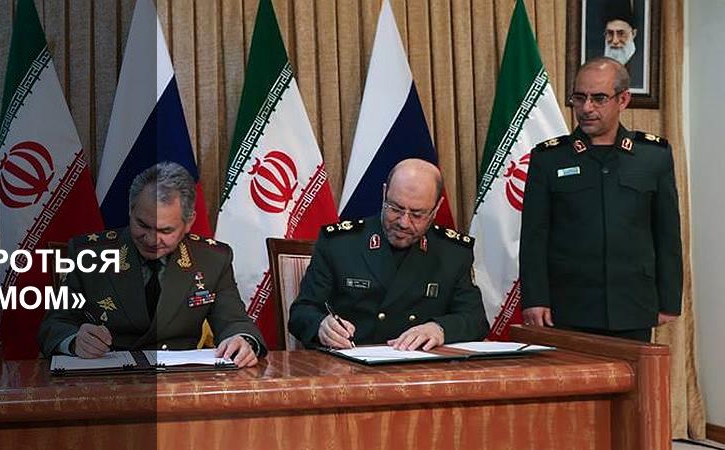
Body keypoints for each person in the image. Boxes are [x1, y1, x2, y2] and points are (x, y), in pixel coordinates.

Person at [38, 162, 266, 366]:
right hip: (108, 377)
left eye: (166, 230)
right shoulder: (89, 253)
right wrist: (75, 341)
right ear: (131, 211)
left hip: (181, 381)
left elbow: (234, 322)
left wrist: (241, 341)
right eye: (143, 225)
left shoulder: (212, 259)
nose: (152, 240)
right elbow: (56, 324)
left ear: (189, 222)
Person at [519, 57, 682, 342]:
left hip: (633, 304)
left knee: (634, 373)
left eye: (599, 98)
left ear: (623, 100)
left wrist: (669, 299)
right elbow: (534, 236)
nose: (586, 108)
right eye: (579, 98)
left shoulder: (653, 156)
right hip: (567, 306)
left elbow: (667, 233)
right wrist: (535, 298)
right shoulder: (549, 158)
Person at [288, 159, 489, 350]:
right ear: (384, 193)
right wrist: (322, 326)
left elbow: (476, 320)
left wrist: (440, 328)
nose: (403, 222)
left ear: (436, 209)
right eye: (396, 208)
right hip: (351, 364)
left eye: (417, 214)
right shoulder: (340, 244)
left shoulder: (452, 252)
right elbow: (301, 312)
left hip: (421, 366)